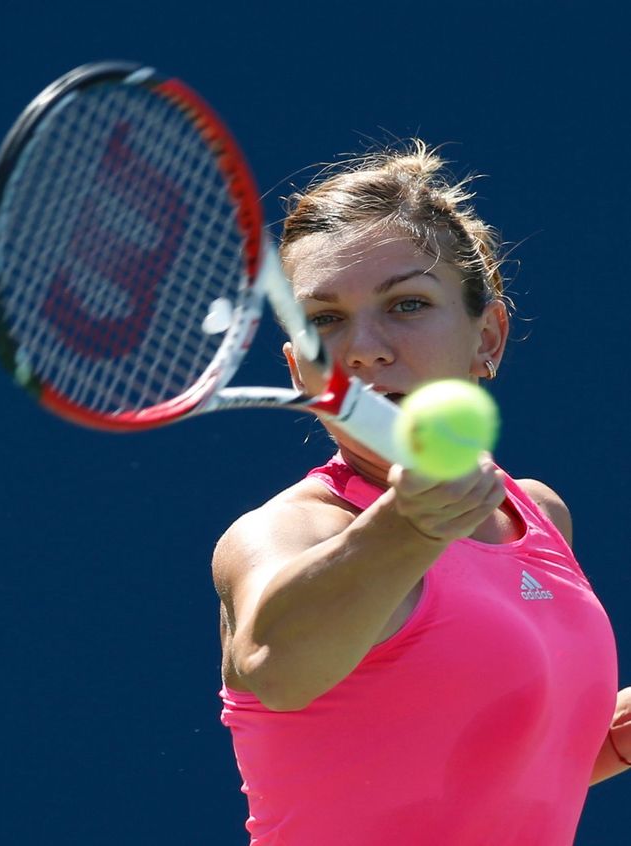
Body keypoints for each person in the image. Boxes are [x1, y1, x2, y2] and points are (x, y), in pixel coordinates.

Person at [212, 141, 630, 845]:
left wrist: (613, 739)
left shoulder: (538, 512)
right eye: (325, 320)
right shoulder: (285, 533)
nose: (364, 349)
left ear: (488, 336)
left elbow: (455, 778)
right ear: (298, 369)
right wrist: (409, 527)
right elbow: (275, 670)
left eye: (406, 304)